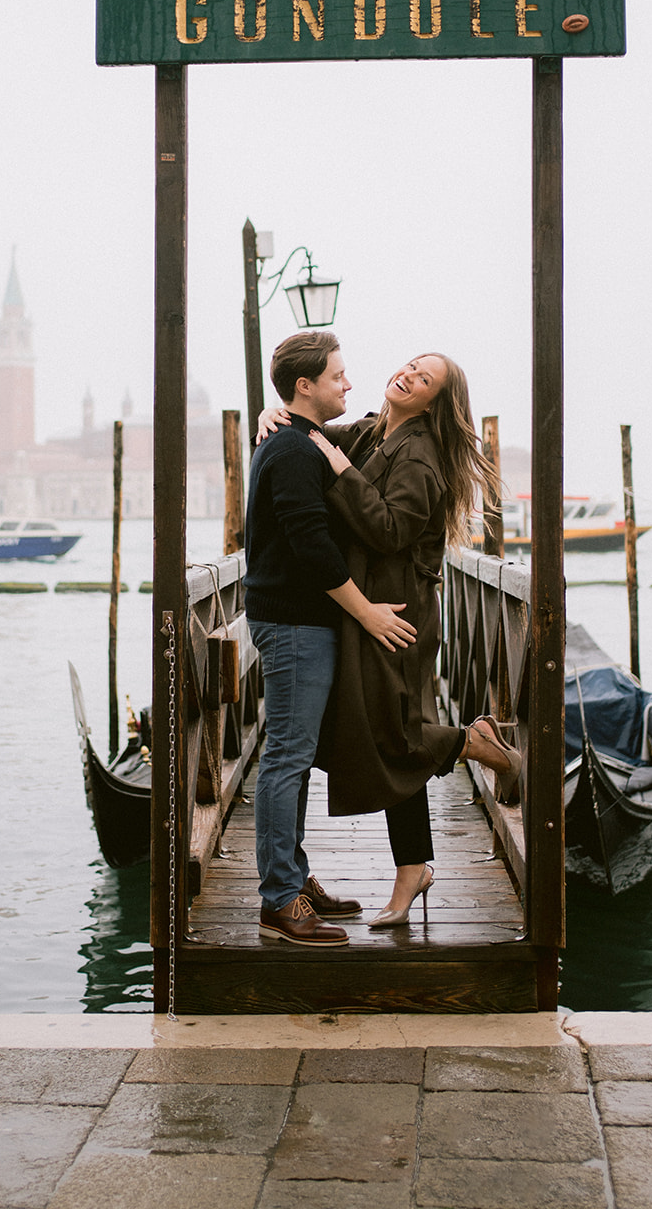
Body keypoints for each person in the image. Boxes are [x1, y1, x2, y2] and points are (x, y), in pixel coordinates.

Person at [259, 353, 521, 928]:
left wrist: (337, 468)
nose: (407, 375)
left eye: (423, 379)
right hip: (365, 607)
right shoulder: (377, 427)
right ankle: (415, 852)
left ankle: (469, 749)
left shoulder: (421, 456)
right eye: (410, 366)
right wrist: (271, 414)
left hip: (396, 610)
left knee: (397, 734)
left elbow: (390, 528)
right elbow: (311, 429)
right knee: (380, 731)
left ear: (435, 403)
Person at [245, 330, 417, 947]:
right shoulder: (292, 450)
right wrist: (367, 611)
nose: (348, 383)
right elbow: (311, 546)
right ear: (305, 386)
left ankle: (292, 878)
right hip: (293, 621)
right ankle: (280, 900)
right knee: (287, 758)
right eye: (338, 375)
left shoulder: (298, 440)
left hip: (298, 620)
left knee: (291, 755)